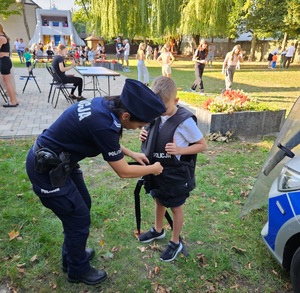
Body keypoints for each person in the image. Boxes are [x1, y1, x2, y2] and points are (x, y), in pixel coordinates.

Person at [25, 79, 166, 285]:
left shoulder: (106, 105)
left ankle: (72, 257)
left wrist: (132, 153)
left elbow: (106, 141)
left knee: (82, 206)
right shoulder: (103, 124)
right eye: (139, 125)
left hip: (63, 162)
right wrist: (154, 169)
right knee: (78, 217)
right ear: (126, 115)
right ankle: (77, 270)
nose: (138, 129)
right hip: (46, 170)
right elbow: (123, 172)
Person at [138, 76, 207, 262]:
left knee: (176, 207)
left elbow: (202, 145)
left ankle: (175, 241)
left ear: (176, 101)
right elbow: (154, 134)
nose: (160, 112)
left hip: (175, 175)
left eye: (164, 108)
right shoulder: (157, 114)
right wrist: (144, 134)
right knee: (158, 200)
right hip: (156, 171)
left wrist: (180, 150)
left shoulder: (185, 122)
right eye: (156, 108)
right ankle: (158, 230)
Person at [0, 24, 19, 107]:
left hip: (4, 61)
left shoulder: (1, 38)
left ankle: (13, 101)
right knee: (8, 82)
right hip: (6, 61)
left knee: (7, 82)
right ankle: (14, 100)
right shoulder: (4, 37)